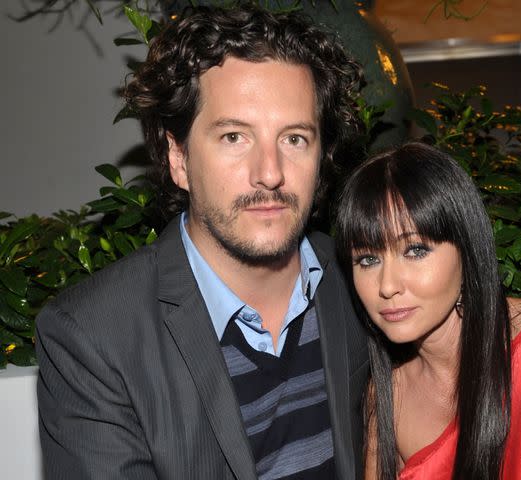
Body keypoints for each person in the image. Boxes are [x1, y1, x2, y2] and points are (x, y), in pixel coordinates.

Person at [35, 4, 369, 479]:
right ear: (179, 158)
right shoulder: (92, 339)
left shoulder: (363, 278)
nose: (270, 173)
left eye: (294, 139)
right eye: (234, 137)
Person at [335, 142, 521, 480]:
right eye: (367, 259)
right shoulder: (387, 393)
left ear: (466, 247)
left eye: (416, 250)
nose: (387, 285)